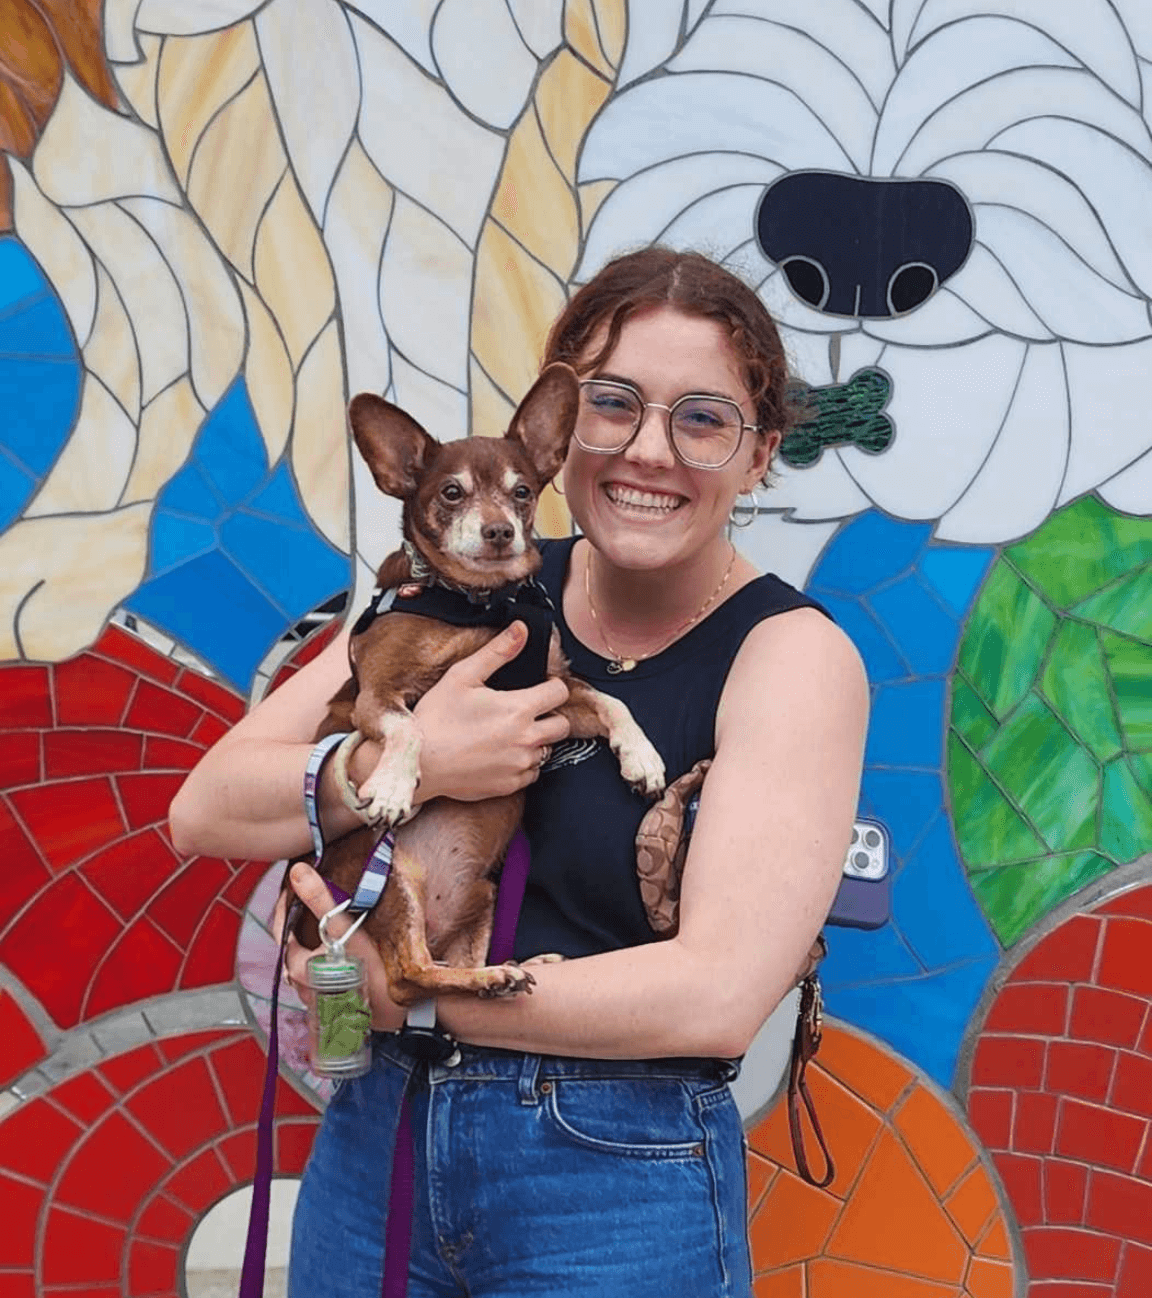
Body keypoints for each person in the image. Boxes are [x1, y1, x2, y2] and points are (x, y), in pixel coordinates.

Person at [169, 248, 869, 1297]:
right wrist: (395, 764)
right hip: (379, 1144)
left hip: (611, 1175)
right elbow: (205, 807)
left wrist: (412, 997)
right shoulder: (457, 584)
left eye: (704, 418)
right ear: (556, 427)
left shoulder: (788, 654)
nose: (649, 449)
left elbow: (716, 995)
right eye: (614, 403)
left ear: (761, 452)